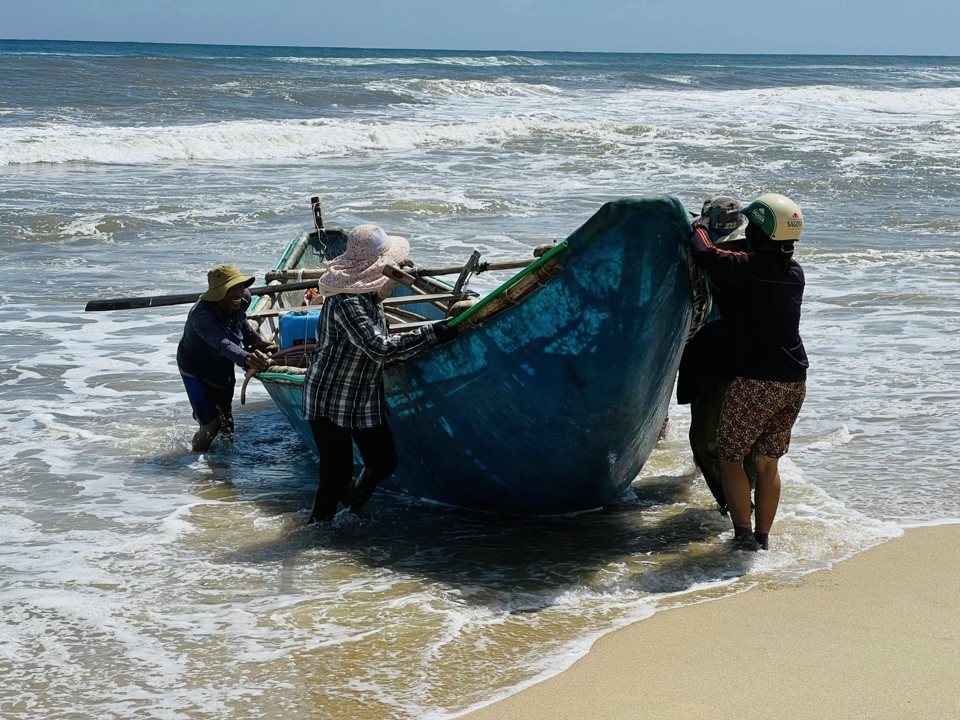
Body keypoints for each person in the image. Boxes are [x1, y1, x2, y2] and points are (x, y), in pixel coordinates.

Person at [302, 224, 457, 523]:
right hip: (329, 397)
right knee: (336, 475)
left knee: (384, 461)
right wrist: (430, 334)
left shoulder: (366, 296)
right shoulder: (345, 301)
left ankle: (352, 504)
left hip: (361, 396)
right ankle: (315, 536)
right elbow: (380, 348)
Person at [688, 193, 808, 551]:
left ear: (762, 235)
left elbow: (705, 254)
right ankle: (763, 538)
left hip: (758, 381)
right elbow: (748, 256)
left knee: (730, 457)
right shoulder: (793, 273)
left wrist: (700, 226)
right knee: (768, 463)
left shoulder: (753, 268)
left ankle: (742, 535)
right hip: (794, 381)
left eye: (754, 227)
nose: (749, 233)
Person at [677, 196, 758, 514]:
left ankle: (735, 505)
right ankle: (743, 497)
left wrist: (698, 228)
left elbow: (705, 254)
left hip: (719, 354)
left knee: (704, 439)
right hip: (741, 354)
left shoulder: (717, 257)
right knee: (740, 435)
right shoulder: (755, 254)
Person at [177, 263, 277, 452]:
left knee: (227, 420)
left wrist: (255, 341)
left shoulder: (243, 298)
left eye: (240, 286)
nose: (238, 293)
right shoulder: (201, 316)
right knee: (211, 426)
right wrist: (247, 358)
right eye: (231, 289)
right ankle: (196, 463)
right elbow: (223, 343)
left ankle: (225, 463)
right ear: (217, 293)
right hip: (195, 368)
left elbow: (240, 321)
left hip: (221, 363)